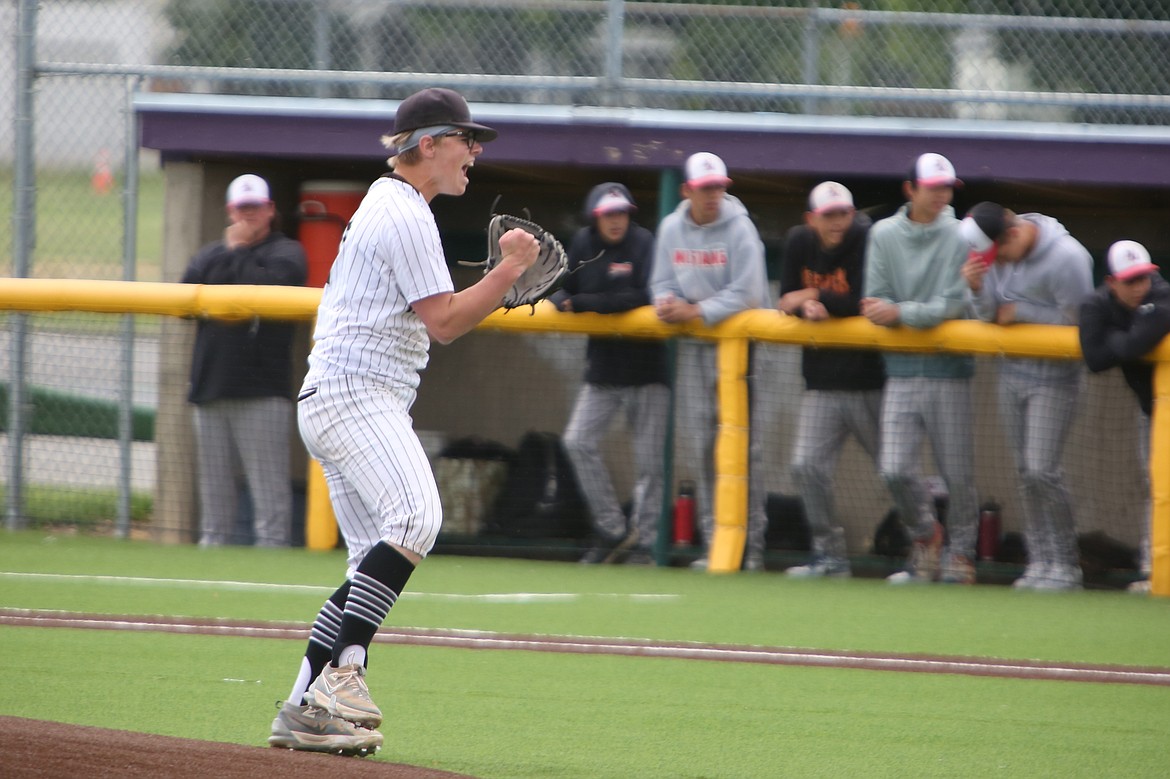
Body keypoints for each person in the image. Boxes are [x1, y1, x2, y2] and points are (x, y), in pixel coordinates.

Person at [268, 87, 540, 756]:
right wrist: (507, 270)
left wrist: (500, 275)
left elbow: (441, 312)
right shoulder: (404, 210)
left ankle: (302, 704)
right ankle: (345, 676)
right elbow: (445, 321)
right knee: (418, 518)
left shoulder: (394, 205)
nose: (474, 151)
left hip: (340, 396)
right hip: (356, 393)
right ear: (427, 145)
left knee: (368, 562)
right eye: (465, 138)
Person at [779, 181, 921, 578]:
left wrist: (815, 296)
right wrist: (807, 303)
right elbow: (787, 300)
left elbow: (864, 299)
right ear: (812, 219)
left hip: (870, 381)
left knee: (896, 471)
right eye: (828, 215)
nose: (838, 222)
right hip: (821, 380)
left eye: (843, 213)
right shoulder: (797, 242)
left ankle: (926, 545)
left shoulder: (867, 237)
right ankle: (829, 556)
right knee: (805, 465)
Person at [959, 201, 1094, 590]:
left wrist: (1022, 311)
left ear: (1014, 233)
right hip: (1010, 373)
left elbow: (1080, 322)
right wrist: (977, 289)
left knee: (1042, 470)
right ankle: (1040, 562)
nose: (994, 260)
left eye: (997, 252)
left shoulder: (1068, 256)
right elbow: (988, 315)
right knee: (1024, 472)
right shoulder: (996, 255)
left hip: (1055, 379)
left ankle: (1066, 565)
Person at [650, 151, 770, 571]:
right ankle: (714, 541)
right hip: (697, 347)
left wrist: (695, 311)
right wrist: (667, 304)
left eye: (718, 187)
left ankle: (750, 547)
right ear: (688, 190)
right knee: (702, 444)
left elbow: (749, 293)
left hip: (742, 348)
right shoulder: (671, 227)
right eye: (705, 188)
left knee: (745, 449)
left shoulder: (739, 227)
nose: (713, 195)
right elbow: (661, 283)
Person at [861, 152, 978, 584]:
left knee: (958, 473)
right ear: (911, 189)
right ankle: (926, 536)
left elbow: (950, 305)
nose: (942, 195)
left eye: (947, 188)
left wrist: (901, 313)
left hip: (950, 369)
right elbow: (875, 299)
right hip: (901, 369)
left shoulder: (960, 233)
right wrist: (901, 312)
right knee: (893, 468)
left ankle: (961, 555)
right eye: (934, 188)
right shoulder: (883, 234)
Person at [181, 173, 307, 548]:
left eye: (255, 208)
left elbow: (270, 286)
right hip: (210, 389)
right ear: (230, 211)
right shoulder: (210, 254)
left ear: (270, 210)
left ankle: (270, 564)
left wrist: (236, 253)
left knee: (269, 493)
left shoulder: (286, 252)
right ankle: (211, 563)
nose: (248, 216)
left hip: (262, 391)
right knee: (214, 493)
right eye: (242, 209)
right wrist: (229, 252)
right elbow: (184, 296)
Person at [550, 183, 669, 566]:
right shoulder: (583, 243)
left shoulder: (644, 242)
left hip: (649, 373)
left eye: (621, 213)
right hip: (602, 371)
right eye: (608, 215)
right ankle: (613, 530)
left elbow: (642, 296)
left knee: (651, 463)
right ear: (595, 217)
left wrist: (583, 304)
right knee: (577, 442)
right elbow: (558, 288)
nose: (616, 221)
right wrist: (559, 299)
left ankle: (645, 544)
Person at [1078, 240, 1170, 594]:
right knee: (1157, 487)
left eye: (1143, 279)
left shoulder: (1162, 296)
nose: (1138, 287)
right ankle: (1154, 568)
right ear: (1111, 281)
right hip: (1153, 411)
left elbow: (1127, 347)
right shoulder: (1096, 303)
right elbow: (1095, 358)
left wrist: (1121, 339)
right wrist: (1129, 338)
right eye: (1129, 281)